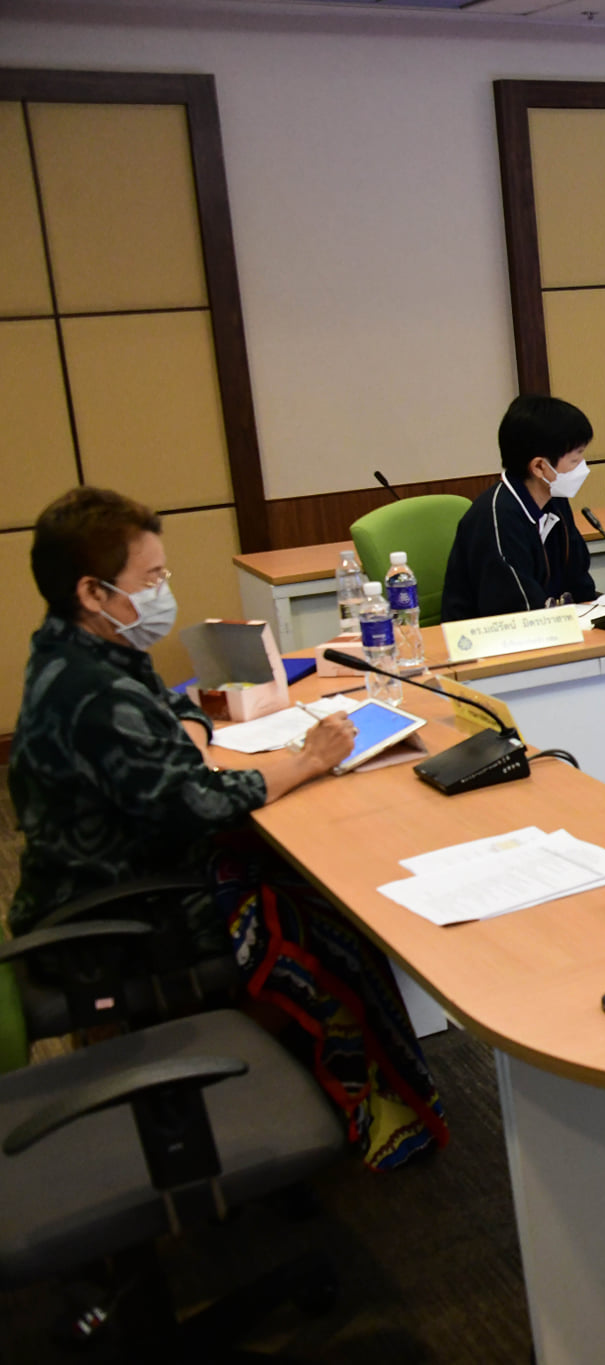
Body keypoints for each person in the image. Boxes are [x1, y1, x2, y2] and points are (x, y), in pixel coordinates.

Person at [10, 487, 447, 1169]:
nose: (163, 591)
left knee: (314, 882)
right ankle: (318, 1104)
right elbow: (200, 802)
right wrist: (307, 761)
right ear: (93, 592)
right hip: (114, 915)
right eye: (150, 579)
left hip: (130, 868)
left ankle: (288, 1082)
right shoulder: (89, 692)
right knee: (328, 914)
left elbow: (177, 712)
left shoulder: (83, 650)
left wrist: (187, 734)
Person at [442, 394, 599, 623]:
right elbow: (516, 609)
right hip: (493, 636)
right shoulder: (496, 517)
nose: (582, 467)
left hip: (554, 627)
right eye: (575, 461)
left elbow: (579, 581)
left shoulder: (555, 501)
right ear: (539, 467)